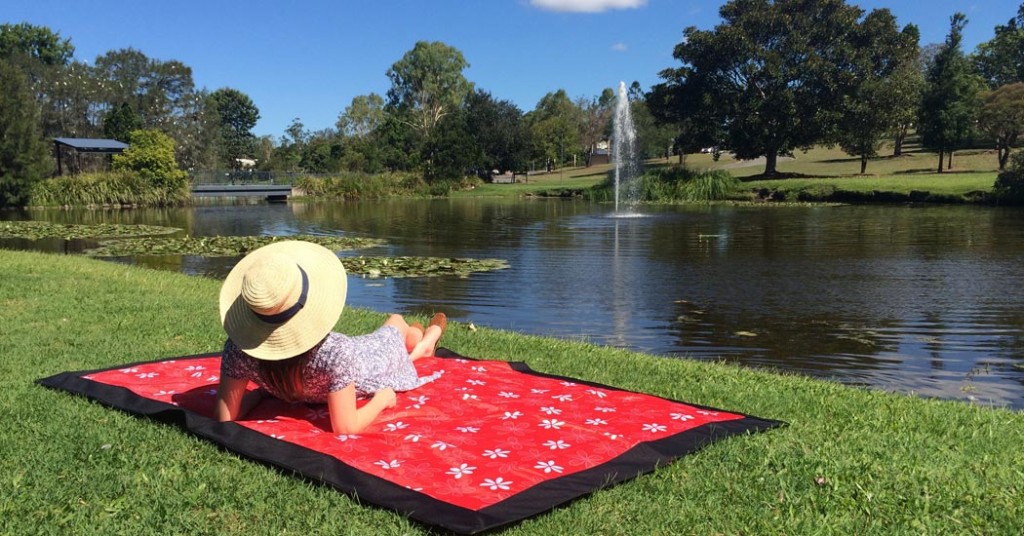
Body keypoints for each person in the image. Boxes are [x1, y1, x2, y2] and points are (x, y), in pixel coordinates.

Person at [215, 240, 446, 434]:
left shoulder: (238, 349)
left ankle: (418, 341)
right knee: (396, 321)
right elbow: (346, 427)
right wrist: (382, 399)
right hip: (368, 365)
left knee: (396, 329)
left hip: (346, 364)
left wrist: (260, 393)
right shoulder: (334, 352)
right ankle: (424, 344)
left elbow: (226, 415)